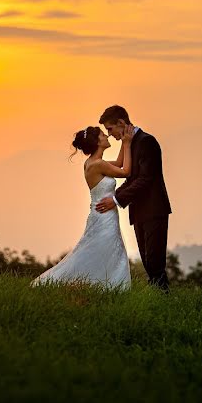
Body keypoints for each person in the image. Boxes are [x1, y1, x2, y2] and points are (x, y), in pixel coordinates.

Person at [31, 124, 135, 289]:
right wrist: (128, 144)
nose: (106, 137)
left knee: (102, 250)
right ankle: (110, 286)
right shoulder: (97, 165)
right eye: (102, 135)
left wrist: (123, 141)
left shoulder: (94, 162)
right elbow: (126, 171)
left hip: (102, 213)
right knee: (106, 250)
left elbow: (119, 162)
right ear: (97, 142)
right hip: (104, 216)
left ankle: (105, 285)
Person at [95, 105, 172, 292]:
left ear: (121, 123)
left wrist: (115, 199)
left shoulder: (147, 142)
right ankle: (159, 300)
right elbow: (131, 177)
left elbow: (145, 179)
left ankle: (164, 299)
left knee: (155, 262)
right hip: (139, 211)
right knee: (147, 261)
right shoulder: (129, 143)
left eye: (110, 129)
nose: (110, 134)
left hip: (154, 210)